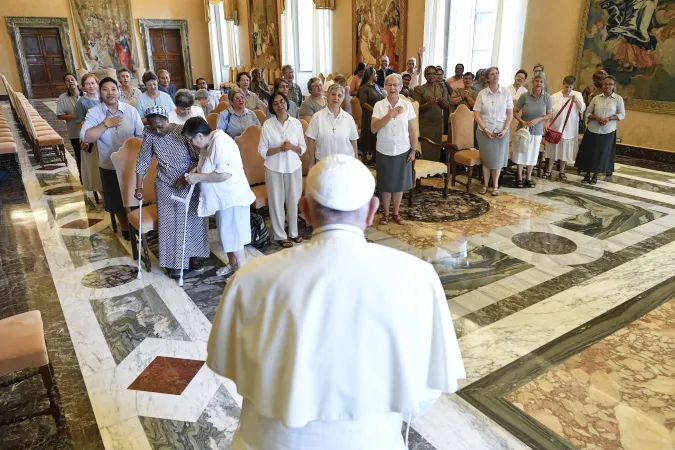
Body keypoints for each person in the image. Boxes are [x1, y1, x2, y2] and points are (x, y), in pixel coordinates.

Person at [206, 153, 465, 450]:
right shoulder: (418, 277)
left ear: (304, 210)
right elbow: (426, 389)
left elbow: (227, 363)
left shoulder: (251, 277)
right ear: (371, 211)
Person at [135, 106, 209, 278]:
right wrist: (138, 186)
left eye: (160, 126)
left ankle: (193, 256)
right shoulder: (150, 134)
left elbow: (198, 158)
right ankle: (175, 263)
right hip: (165, 185)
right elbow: (142, 161)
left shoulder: (181, 131)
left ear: (166, 119)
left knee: (193, 220)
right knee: (170, 224)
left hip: (189, 181)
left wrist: (187, 176)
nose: (157, 130)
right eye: (153, 127)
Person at [183, 117, 255, 276]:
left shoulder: (221, 142)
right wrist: (197, 170)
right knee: (226, 234)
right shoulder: (208, 143)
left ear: (200, 136)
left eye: (191, 139)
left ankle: (242, 273)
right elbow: (208, 164)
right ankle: (232, 263)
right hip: (221, 199)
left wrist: (199, 178)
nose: (192, 143)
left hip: (232, 197)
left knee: (234, 235)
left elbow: (224, 174)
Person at [81, 77, 144, 240]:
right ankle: (125, 226)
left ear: (119, 91)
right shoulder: (94, 113)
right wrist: (105, 124)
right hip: (109, 165)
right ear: (100, 93)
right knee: (116, 200)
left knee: (136, 196)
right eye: (105, 89)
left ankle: (137, 222)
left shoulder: (131, 111)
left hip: (133, 165)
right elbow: (87, 137)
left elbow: (141, 136)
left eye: (113, 89)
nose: (110, 93)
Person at [258, 91, 307, 248]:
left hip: (293, 166)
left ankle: (293, 232)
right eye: (275, 103)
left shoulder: (296, 124)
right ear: (272, 107)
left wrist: (291, 147)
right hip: (274, 167)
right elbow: (262, 150)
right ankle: (280, 234)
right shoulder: (268, 124)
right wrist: (279, 149)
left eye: (282, 102)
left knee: (293, 199)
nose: (279, 105)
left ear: (287, 103)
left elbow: (303, 148)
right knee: (276, 201)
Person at [371, 73, 417, 226]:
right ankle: (385, 214)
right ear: (385, 87)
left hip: (403, 149)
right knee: (385, 184)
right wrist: (389, 115)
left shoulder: (407, 105)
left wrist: (413, 150)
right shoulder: (379, 106)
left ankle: (396, 213)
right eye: (389, 85)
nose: (392, 88)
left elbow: (412, 130)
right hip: (384, 149)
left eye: (395, 84)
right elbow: (373, 128)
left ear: (401, 87)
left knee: (398, 184)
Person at [575, 75, 625, 184]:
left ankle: (595, 176)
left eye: (610, 84)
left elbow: (622, 115)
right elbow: (587, 113)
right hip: (593, 129)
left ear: (613, 86)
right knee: (590, 152)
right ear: (602, 85)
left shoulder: (618, 99)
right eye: (605, 84)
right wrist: (597, 118)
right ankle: (587, 175)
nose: (607, 86)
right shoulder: (596, 98)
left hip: (608, 131)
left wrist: (609, 118)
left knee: (602, 154)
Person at [473, 67, 513, 196]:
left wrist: (506, 128)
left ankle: (495, 186)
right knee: (487, 159)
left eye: (497, 73)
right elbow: (477, 114)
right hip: (485, 131)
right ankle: (485, 185)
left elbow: (510, 113)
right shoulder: (482, 93)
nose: (495, 76)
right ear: (487, 78)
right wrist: (485, 129)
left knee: (498, 160)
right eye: (492, 74)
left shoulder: (506, 92)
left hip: (502, 131)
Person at [513, 74, 551, 188]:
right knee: (521, 152)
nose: (538, 83)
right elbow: (515, 111)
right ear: (532, 82)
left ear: (543, 84)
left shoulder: (547, 97)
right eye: (536, 81)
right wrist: (522, 120)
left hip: (537, 130)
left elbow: (549, 114)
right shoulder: (524, 96)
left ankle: (528, 177)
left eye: (541, 82)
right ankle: (519, 177)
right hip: (523, 130)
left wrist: (539, 119)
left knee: (533, 154)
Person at [544, 75, 586, 181]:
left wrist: (576, 101)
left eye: (570, 87)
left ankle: (562, 171)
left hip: (569, 129)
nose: (568, 89)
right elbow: (550, 112)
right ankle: (548, 170)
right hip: (555, 128)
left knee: (564, 152)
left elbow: (582, 109)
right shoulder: (554, 96)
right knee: (553, 150)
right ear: (563, 85)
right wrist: (547, 123)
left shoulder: (577, 95)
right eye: (566, 87)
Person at [306, 83, 359, 165]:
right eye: (333, 94)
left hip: (346, 162)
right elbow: (310, 141)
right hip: (323, 162)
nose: (336, 98)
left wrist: (356, 163)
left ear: (343, 98)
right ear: (327, 95)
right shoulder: (317, 117)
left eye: (339, 95)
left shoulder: (349, 118)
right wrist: (311, 163)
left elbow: (354, 142)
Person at [75, 73, 104, 195]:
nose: (91, 86)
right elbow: (80, 123)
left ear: (97, 84)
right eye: (87, 84)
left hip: (105, 137)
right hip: (92, 139)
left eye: (93, 83)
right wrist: (97, 127)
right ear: (83, 87)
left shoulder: (104, 98)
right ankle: (102, 193)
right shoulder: (81, 102)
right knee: (95, 167)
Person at [412, 66, 449, 162]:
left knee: (436, 147)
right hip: (425, 123)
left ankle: (435, 169)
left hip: (437, 123)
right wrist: (428, 104)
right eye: (428, 74)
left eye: (433, 73)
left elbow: (446, 105)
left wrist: (440, 100)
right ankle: (425, 168)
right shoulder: (420, 89)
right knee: (426, 146)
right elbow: (416, 108)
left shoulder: (441, 87)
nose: (431, 76)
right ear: (425, 75)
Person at [56, 73, 83, 179]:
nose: (70, 81)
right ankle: (82, 177)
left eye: (72, 79)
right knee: (79, 155)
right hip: (74, 133)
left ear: (77, 82)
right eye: (67, 80)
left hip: (90, 132)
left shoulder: (85, 94)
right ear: (65, 84)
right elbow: (59, 115)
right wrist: (74, 116)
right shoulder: (62, 98)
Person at [358, 67, 385, 164]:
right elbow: (363, 103)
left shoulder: (376, 86)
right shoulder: (363, 88)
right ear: (370, 75)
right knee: (368, 135)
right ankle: (364, 155)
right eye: (375, 74)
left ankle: (374, 155)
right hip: (368, 115)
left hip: (378, 115)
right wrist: (375, 111)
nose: (377, 75)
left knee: (376, 135)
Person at [436, 66, 451, 134]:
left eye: (441, 74)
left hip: (446, 108)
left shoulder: (445, 83)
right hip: (437, 108)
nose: (439, 76)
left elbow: (451, 92)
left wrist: (446, 83)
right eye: (437, 74)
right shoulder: (433, 84)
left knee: (444, 128)